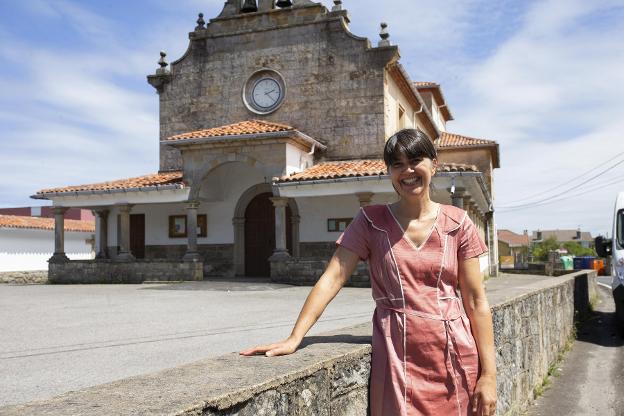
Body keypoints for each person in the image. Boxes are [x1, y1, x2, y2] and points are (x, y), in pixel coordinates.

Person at [240, 129, 497, 416]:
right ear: (388, 171)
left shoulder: (458, 222)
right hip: (398, 355)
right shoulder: (370, 221)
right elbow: (333, 276)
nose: (407, 170)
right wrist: (295, 337)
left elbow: (475, 301)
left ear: (434, 164)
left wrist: (489, 375)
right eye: (397, 164)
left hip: (454, 354)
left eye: (415, 160)